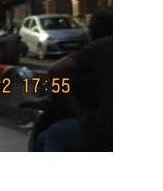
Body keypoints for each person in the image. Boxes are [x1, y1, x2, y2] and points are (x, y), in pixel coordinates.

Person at [39, 11, 113, 151]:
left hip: (105, 131)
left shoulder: (100, 48)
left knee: (54, 135)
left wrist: (79, 114)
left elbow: (55, 70)